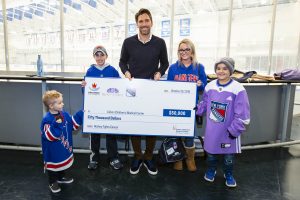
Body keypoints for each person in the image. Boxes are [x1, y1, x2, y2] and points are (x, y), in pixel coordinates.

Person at [119, 8, 169, 175]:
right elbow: (122, 62)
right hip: (133, 89)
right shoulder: (128, 42)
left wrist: (159, 73)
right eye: (141, 21)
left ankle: (148, 157)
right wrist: (126, 72)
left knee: (150, 124)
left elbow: (165, 63)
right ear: (137, 24)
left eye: (146, 20)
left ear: (151, 22)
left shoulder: (160, 43)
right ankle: (138, 156)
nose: (144, 24)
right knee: (134, 123)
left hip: (151, 89)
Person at [196, 57, 250, 187]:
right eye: (218, 68)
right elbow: (205, 102)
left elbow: (243, 113)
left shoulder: (238, 89)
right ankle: (211, 170)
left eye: (225, 68)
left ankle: (228, 173)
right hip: (212, 130)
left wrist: (234, 130)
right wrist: (198, 110)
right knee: (211, 155)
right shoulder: (210, 86)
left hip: (229, 131)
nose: (221, 71)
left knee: (228, 158)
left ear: (231, 71)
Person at [167, 38, 207, 172]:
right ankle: (178, 158)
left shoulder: (199, 67)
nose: (183, 52)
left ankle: (190, 159)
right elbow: (168, 88)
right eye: (181, 50)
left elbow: (204, 87)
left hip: (191, 107)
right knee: (175, 134)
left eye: (186, 49)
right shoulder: (173, 68)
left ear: (192, 51)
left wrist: (201, 84)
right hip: (176, 106)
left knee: (190, 134)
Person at [82, 45, 123, 170]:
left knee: (111, 133)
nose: (99, 57)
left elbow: (120, 87)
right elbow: (86, 91)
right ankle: (94, 158)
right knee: (94, 134)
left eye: (102, 55)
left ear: (106, 56)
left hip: (109, 107)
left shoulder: (112, 70)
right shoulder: (90, 71)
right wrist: (84, 86)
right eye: (97, 55)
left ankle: (113, 157)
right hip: (95, 108)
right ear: (94, 57)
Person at [40, 90, 83, 193]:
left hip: (63, 147)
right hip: (53, 150)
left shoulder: (63, 114)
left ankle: (61, 177)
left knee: (62, 164)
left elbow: (72, 124)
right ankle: (52, 182)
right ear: (51, 106)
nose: (62, 104)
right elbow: (49, 136)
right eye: (59, 103)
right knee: (53, 167)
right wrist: (57, 124)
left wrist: (81, 114)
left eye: (62, 102)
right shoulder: (47, 119)